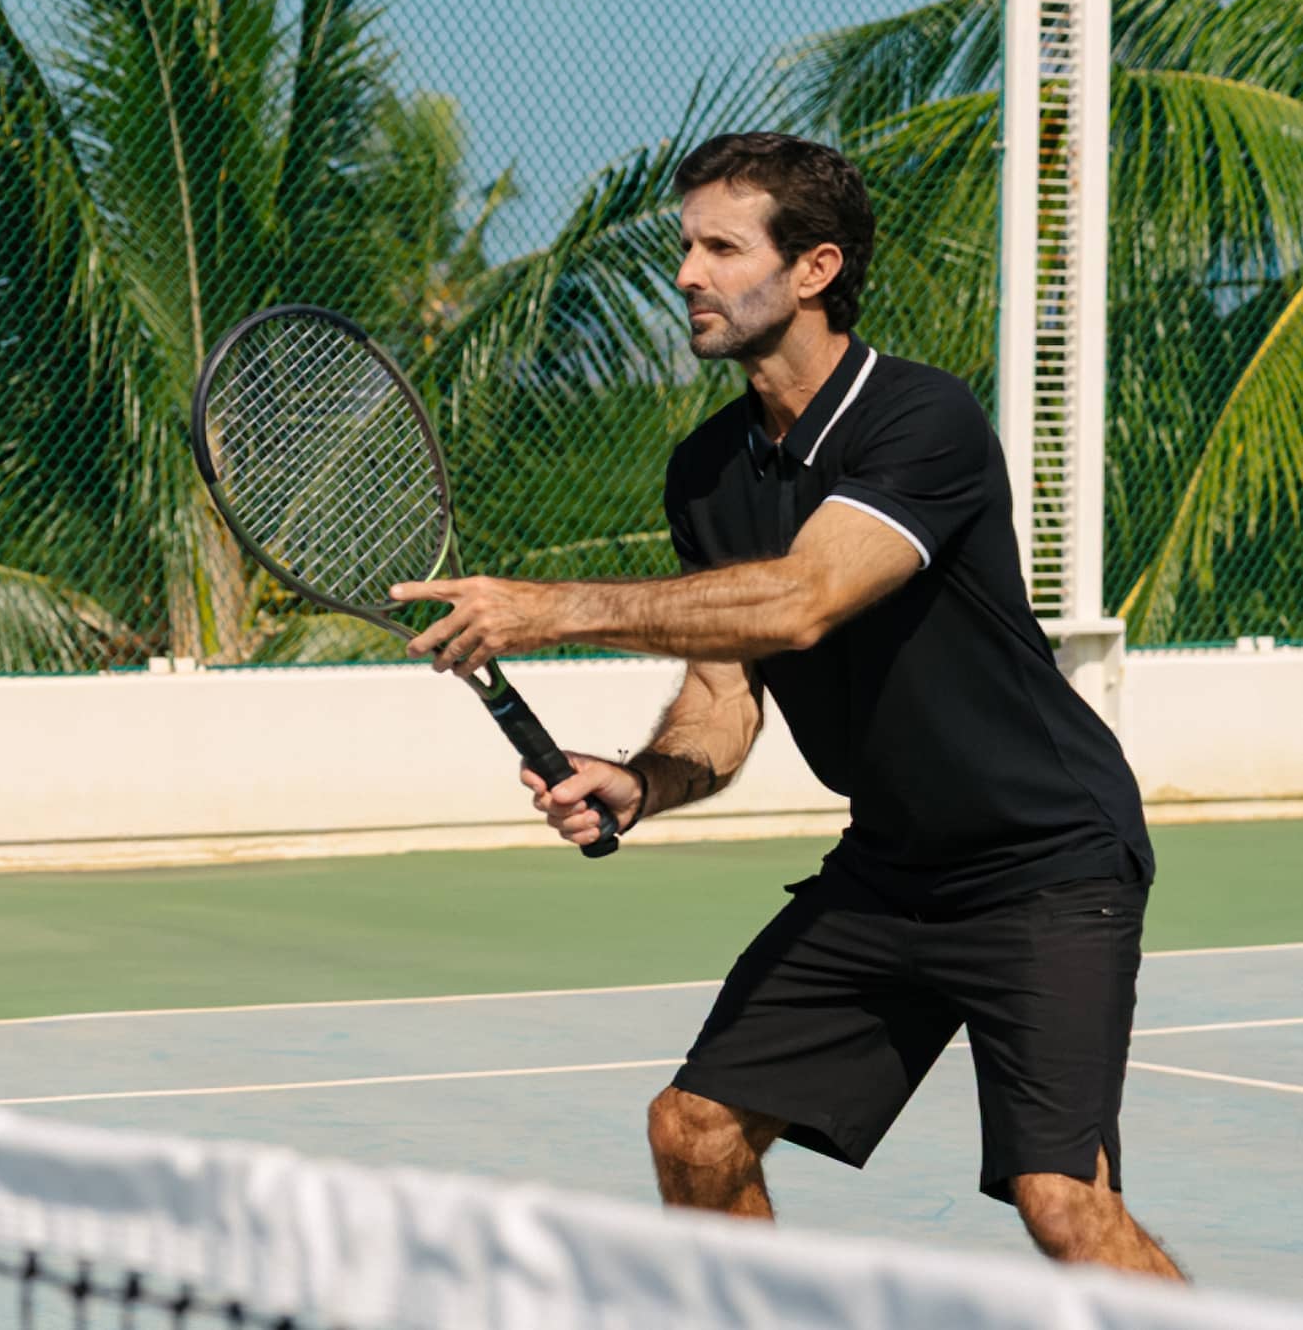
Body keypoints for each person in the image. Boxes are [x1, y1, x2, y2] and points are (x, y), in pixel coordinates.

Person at [389, 132, 1182, 1279]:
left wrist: (542, 610)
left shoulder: (924, 419)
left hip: (1047, 864)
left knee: (1063, 1205)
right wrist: (643, 781)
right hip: (890, 871)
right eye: (685, 247)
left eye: (720, 247)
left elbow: (803, 601)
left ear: (814, 269)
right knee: (694, 1134)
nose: (687, 276)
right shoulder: (706, 473)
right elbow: (725, 695)